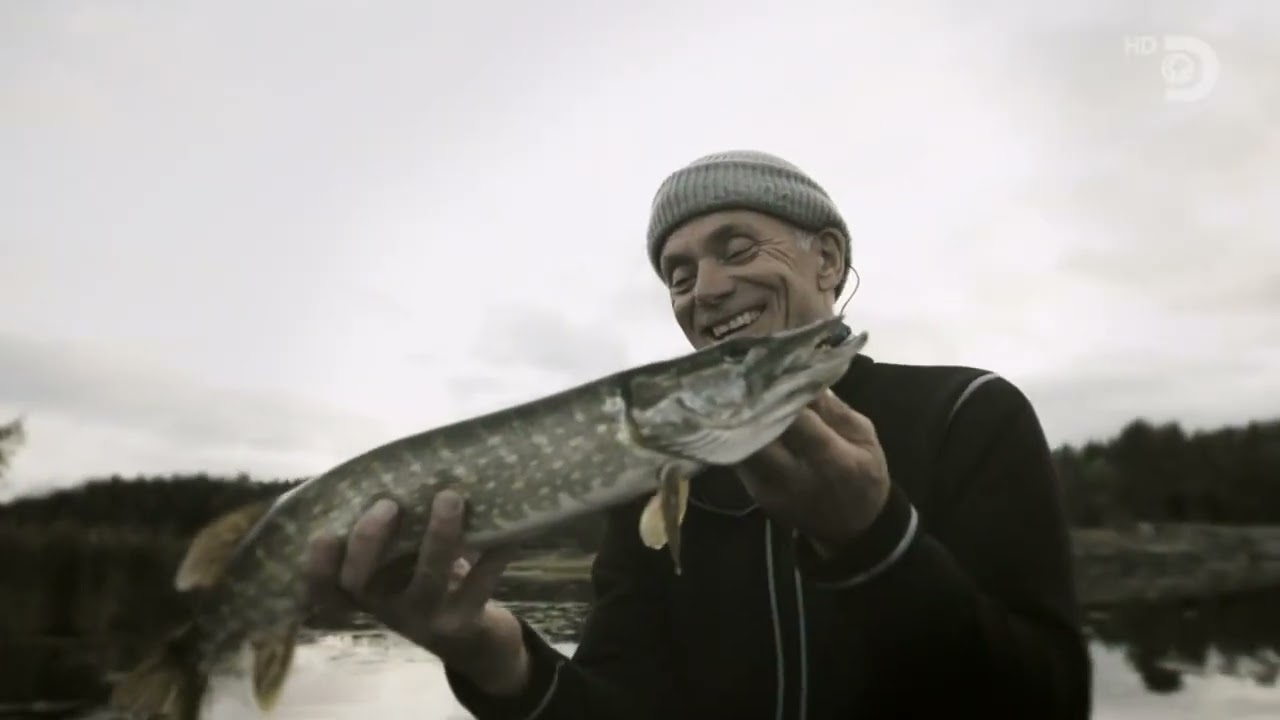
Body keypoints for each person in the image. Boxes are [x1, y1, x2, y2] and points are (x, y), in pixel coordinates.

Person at [304, 150, 1094, 719]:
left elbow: (1048, 699)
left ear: (828, 260)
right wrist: (494, 657)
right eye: (678, 275)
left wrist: (873, 541)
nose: (707, 289)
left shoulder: (969, 413)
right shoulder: (656, 483)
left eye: (737, 247)